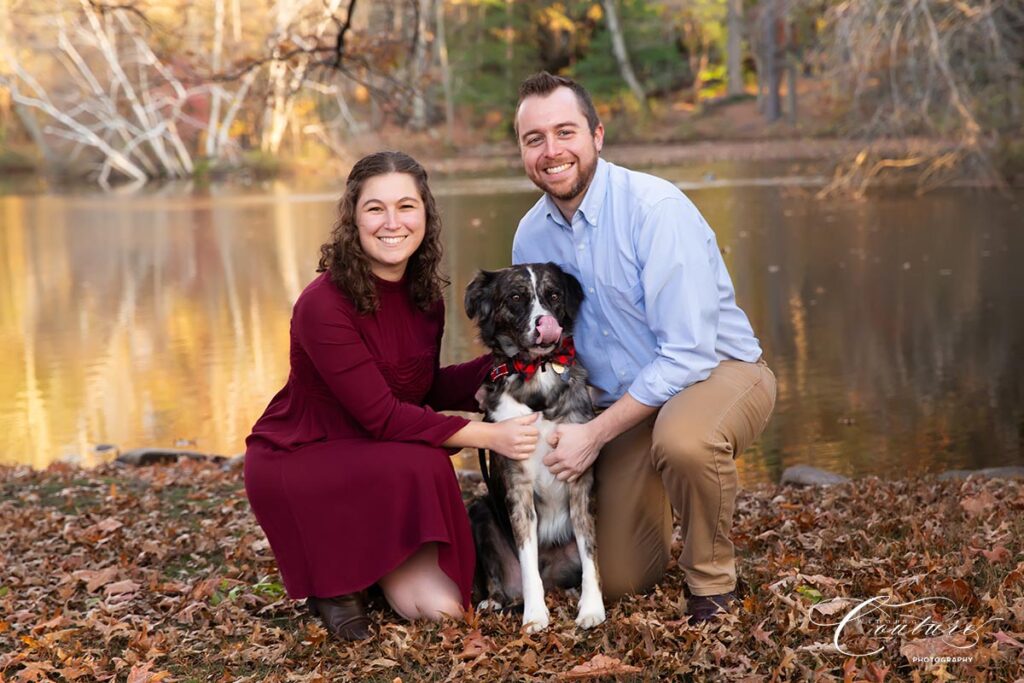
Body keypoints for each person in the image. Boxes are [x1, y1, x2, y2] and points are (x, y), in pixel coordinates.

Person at [510, 73, 777, 623]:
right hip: (622, 403)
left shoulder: (654, 209)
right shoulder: (529, 238)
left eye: (566, 132)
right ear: (522, 150)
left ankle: (711, 583)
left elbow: (686, 354)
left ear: (598, 136)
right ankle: (655, 508)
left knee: (685, 439)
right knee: (623, 577)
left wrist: (595, 435)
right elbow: (543, 345)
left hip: (718, 372)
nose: (552, 151)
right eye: (534, 138)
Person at [244, 151, 540, 641]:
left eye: (406, 206)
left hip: (377, 454)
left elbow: (421, 387)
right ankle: (335, 584)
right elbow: (382, 414)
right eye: (375, 209)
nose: (392, 223)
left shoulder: (426, 297)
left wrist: (511, 362)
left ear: (425, 215)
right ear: (353, 219)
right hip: (303, 458)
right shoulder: (322, 305)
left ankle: (373, 566)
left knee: (445, 610)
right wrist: (491, 435)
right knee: (422, 462)